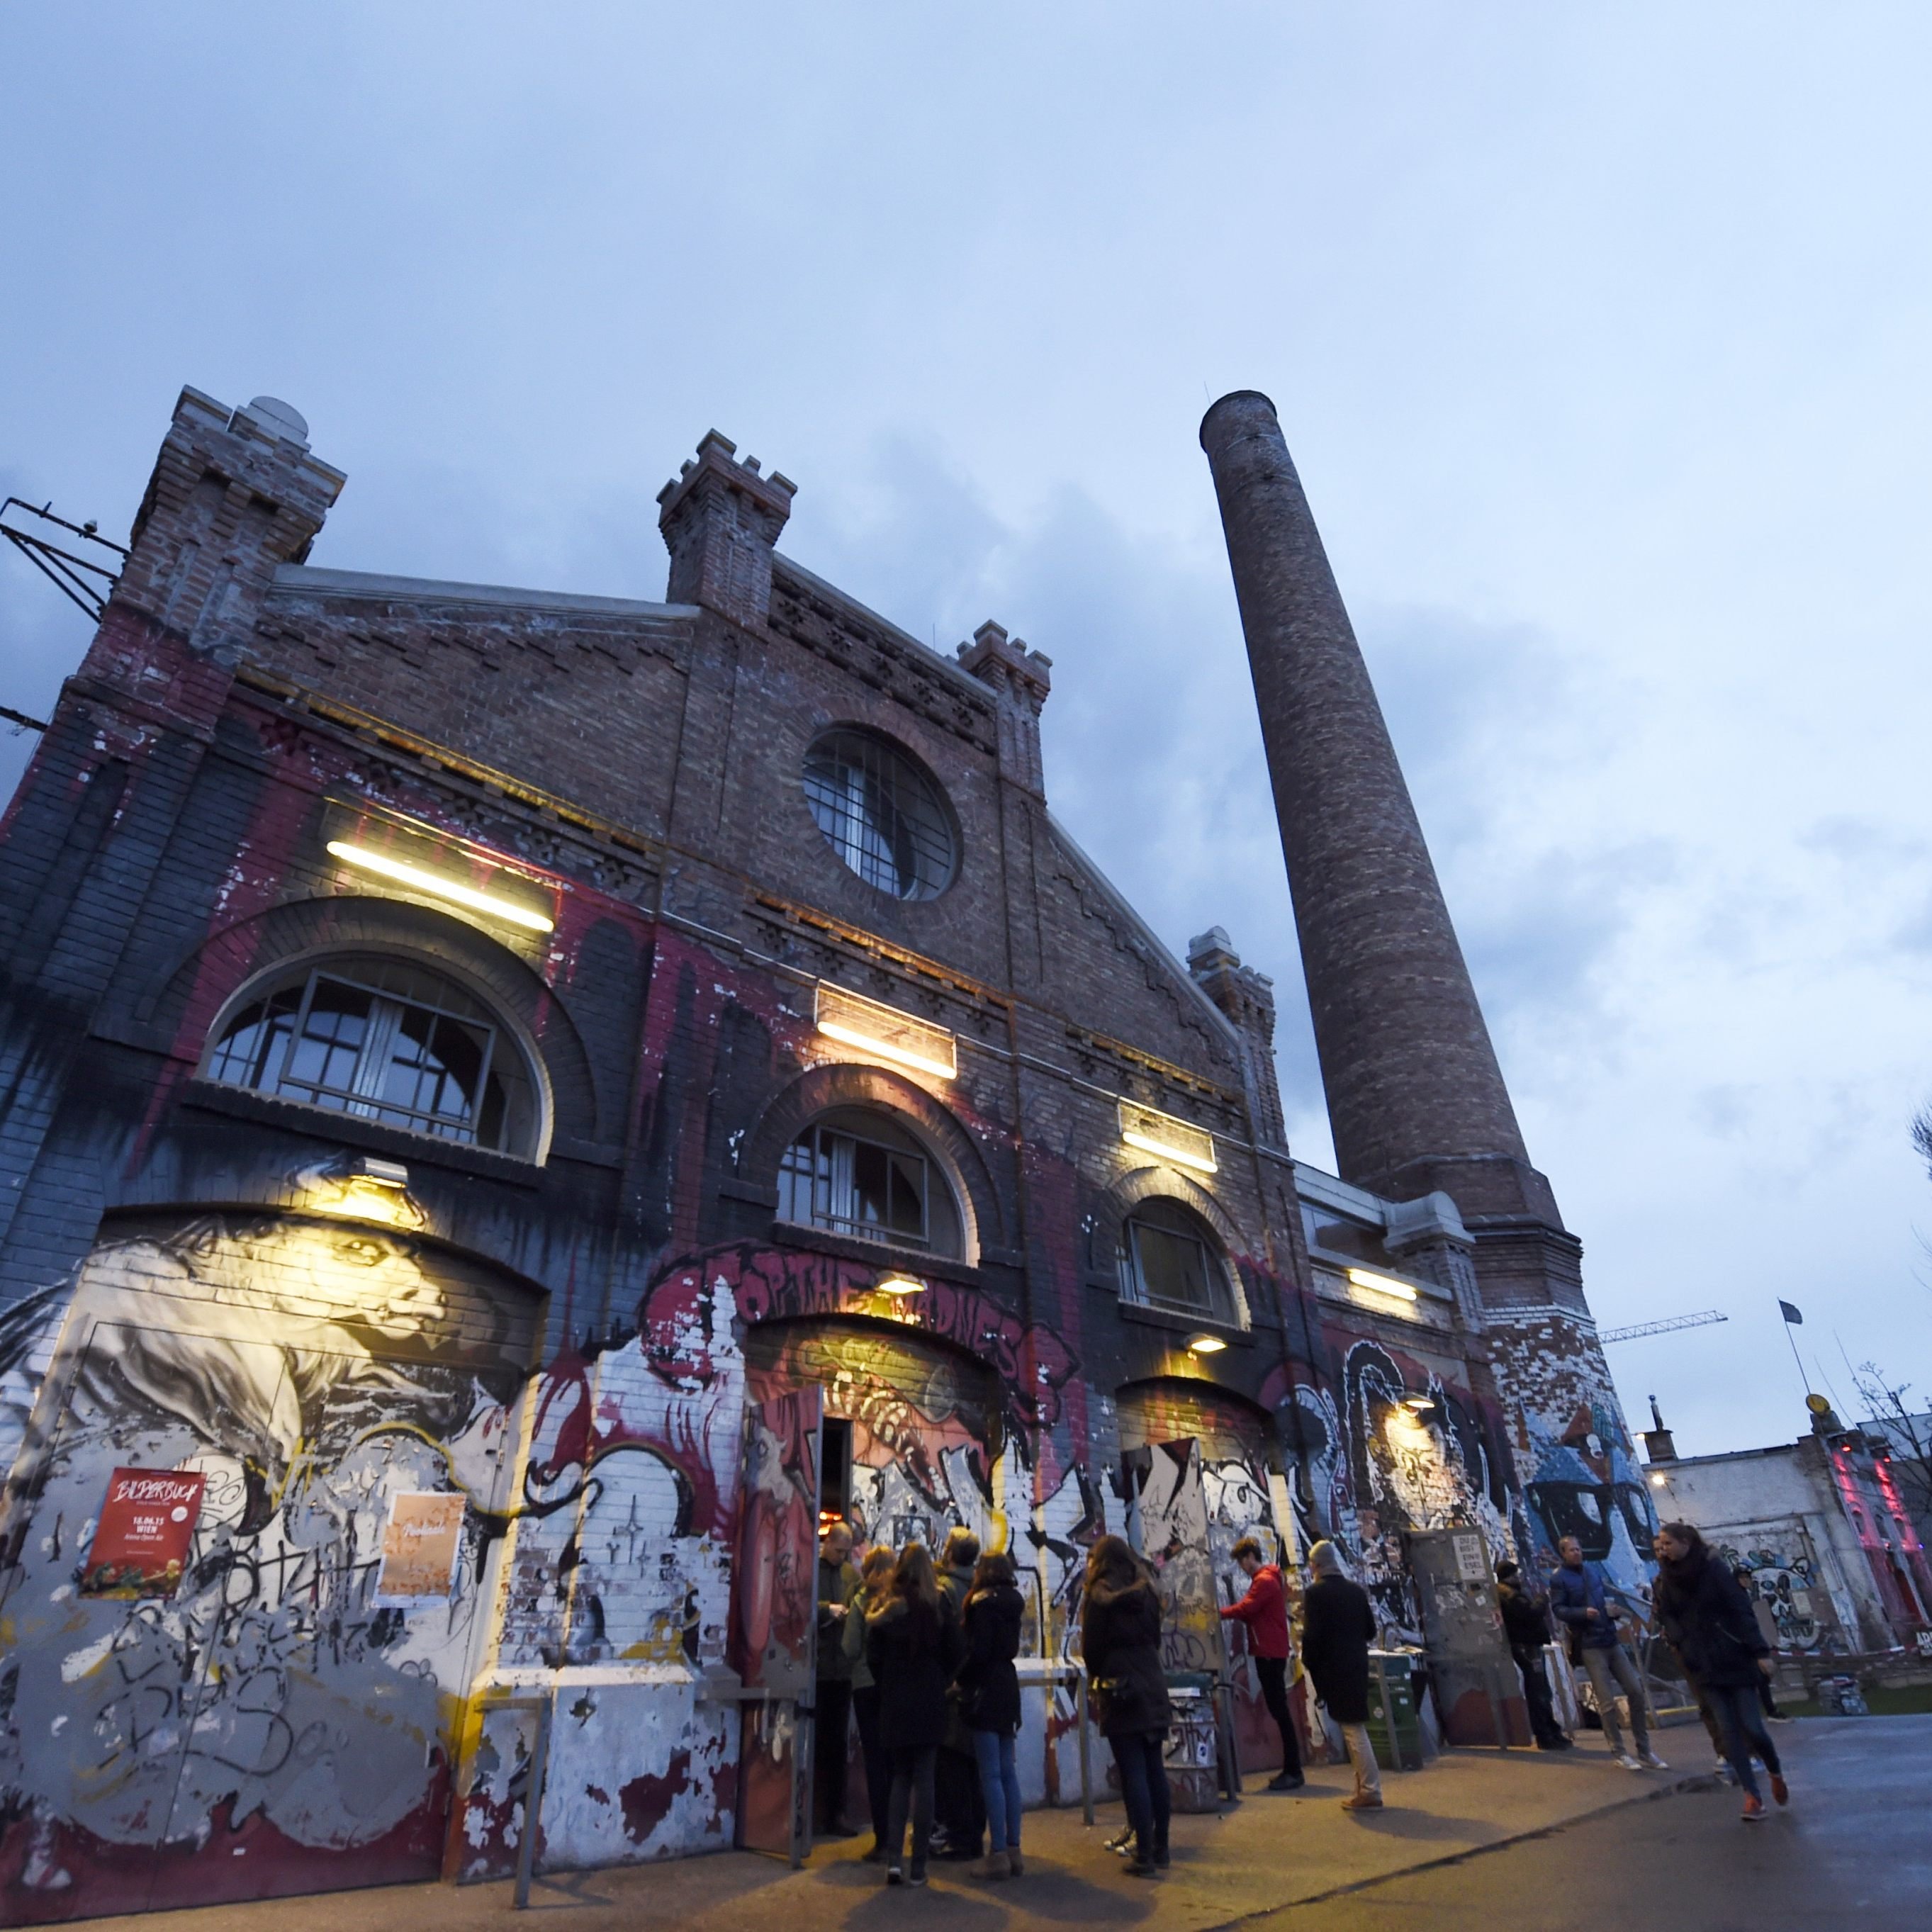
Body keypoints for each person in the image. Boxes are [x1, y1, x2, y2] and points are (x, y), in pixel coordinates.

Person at [1654, 1525, 1787, 1822]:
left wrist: (1760, 1652)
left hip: (1733, 1657)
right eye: (1661, 1544)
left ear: (1686, 1543)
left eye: (1668, 1543)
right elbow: (1667, 1613)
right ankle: (1752, 1796)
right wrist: (1679, 1640)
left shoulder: (1713, 1570)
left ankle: (1774, 1770)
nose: (1663, 1549)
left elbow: (1740, 1610)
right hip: (1701, 1662)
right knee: (1728, 1732)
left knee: (1752, 1727)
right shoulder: (1666, 1577)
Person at [867, 1541, 964, 1885]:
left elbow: (873, 1657)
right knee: (926, 1779)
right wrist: (941, 1679)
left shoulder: (885, 1610)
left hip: (895, 1699)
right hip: (929, 1700)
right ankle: (919, 1866)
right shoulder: (938, 1606)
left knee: (899, 1778)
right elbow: (957, 1650)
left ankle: (894, 1861)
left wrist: (889, 1685)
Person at [1082, 1534, 1172, 1876]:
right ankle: (1161, 1848)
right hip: (1152, 1680)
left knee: (1132, 1770)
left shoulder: (1099, 1596)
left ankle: (1143, 1855)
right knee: (1154, 1769)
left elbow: (1092, 1648)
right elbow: (1156, 1636)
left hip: (1122, 1686)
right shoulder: (1146, 1591)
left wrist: (1099, 1677)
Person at [1547, 1535, 1666, 1772]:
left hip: (1609, 1638)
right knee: (1607, 1702)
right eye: (1571, 1550)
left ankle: (1645, 1750)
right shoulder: (1559, 1578)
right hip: (1590, 1644)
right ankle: (1619, 1752)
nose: (1577, 1553)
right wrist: (1583, 1613)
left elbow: (1601, 1598)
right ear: (1563, 1553)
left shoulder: (1591, 1572)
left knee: (1635, 1690)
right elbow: (1558, 1609)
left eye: (1578, 1549)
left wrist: (1609, 1612)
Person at [1298, 1540, 1383, 1811]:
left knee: (1353, 1728)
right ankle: (1362, 1787)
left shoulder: (1315, 1594)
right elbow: (1370, 1631)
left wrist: (1308, 1661)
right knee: (1354, 1725)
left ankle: (1370, 1789)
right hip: (1357, 1664)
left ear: (1316, 1565)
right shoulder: (1356, 1592)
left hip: (1334, 1668)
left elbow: (1312, 1636)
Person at [958, 1549, 1026, 1878]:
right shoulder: (1014, 1601)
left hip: (985, 1690)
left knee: (991, 1776)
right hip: (1008, 1686)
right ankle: (1014, 1849)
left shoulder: (981, 1605)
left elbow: (978, 1652)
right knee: (1008, 1773)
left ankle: (997, 1853)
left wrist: (960, 1681)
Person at [1220, 1534, 1305, 1791]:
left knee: (1279, 1710)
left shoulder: (1264, 1581)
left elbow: (1247, 1608)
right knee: (1279, 1710)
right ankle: (1292, 1769)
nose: (1242, 1568)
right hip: (1270, 1650)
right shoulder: (1268, 1578)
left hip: (1269, 1652)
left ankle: (1293, 1771)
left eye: (1242, 1562)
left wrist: (1218, 1614)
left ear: (1250, 1557)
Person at [932, 1526, 986, 1860]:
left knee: (951, 1766)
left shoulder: (945, 1591)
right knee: (975, 1765)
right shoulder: (981, 1588)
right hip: (979, 1687)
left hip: (951, 1687)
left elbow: (941, 1643)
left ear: (949, 1553)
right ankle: (974, 1832)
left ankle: (960, 1835)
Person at [844, 1545, 898, 1861]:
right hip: (894, 1688)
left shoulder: (862, 1600)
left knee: (876, 1765)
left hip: (866, 1686)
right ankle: (900, 1835)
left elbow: (850, 1646)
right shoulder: (899, 1599)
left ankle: (883, 1840)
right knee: (896, 1766)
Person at [814, 1521, 861, 1836]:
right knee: (814, 1742)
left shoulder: (849, 1575)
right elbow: (796, 1602)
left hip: (840, 1671)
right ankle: (810, 1813)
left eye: (847, 1553)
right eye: (839, 1551)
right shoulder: (812, 1569)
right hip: (815, 1668)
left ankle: (836, 1814)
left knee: (836, 1746)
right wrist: (824, 1611)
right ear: (827, 1543)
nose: (842, 1557)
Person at [1495, 1560, 1571, 1750]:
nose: (1520, 1577)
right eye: (1517, 1574)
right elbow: (1530, 1613)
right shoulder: (1510, 1594)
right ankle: (1546, 1734)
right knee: (1539, 1691)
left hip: (1525, 1645)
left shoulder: (1506, 1592)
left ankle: (1550, 1730)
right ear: (1511, 1575)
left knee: (1540, 1689)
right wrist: (1542, 1600)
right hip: (1527, 1645)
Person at [1734, 1565, 1787, 1721]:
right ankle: (1767, 1711)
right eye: (1742, 1578)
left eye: (1747, 1578)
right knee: (1757, 1678)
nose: (1746, 1581)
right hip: (1742, 1644)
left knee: (1760, 1679)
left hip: (1746, 1643)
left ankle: (1767, 1710)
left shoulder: (1743, 1595)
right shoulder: (1737, 1597)